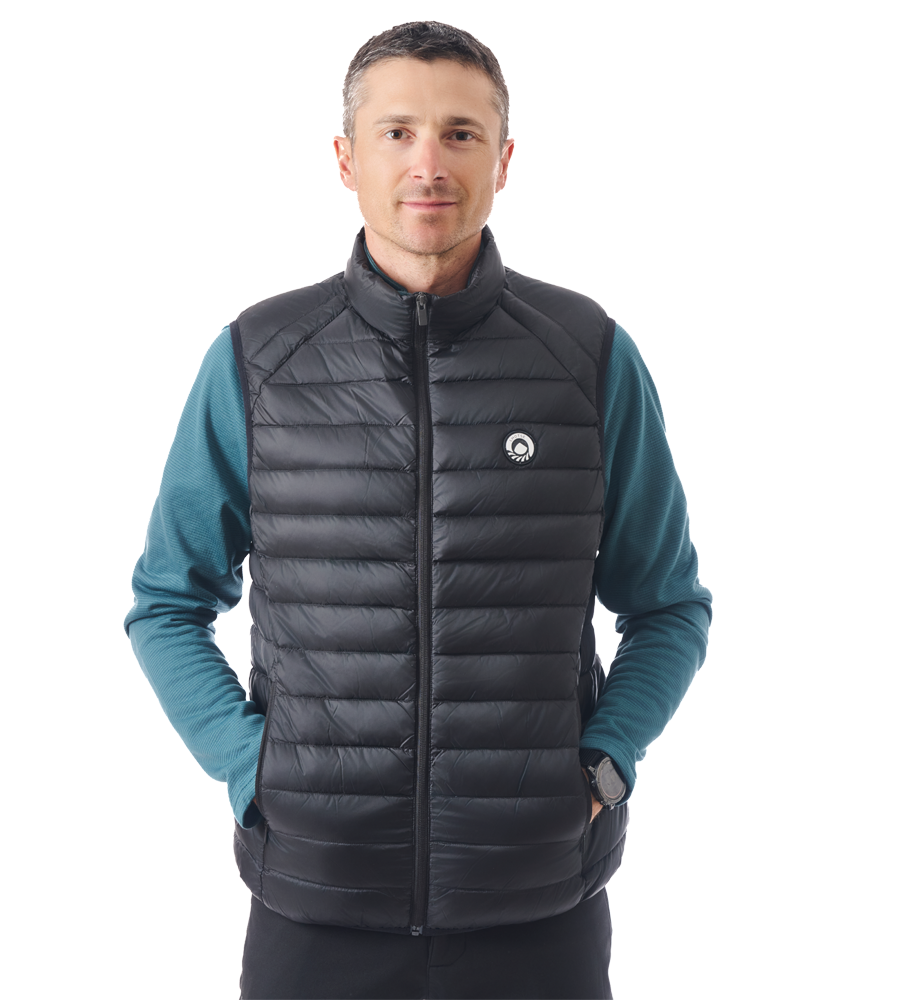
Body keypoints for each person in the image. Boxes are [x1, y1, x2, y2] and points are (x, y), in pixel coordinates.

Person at [125, 20, 711, 1000]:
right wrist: (251, 770)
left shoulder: (589, 356)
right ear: (345, 158)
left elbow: (669, 607)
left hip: (537, 906)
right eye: (397, 132)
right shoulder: (257, 360)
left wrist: (604, 765)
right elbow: (167, 603)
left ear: (505, 160)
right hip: (315, 904)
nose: (428, 164)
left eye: (460, 133)